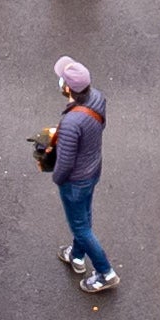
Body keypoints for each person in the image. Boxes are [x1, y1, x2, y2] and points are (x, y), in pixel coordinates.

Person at [40, 59, 110, 288]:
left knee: (80, 227)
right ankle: (76, 256)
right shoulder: (97, 98)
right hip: (93, 169)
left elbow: (66, 161)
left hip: (75, 181)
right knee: (84, 216)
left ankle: (105, 273)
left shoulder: (72, 122)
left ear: (68, 88)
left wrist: (56, 178)